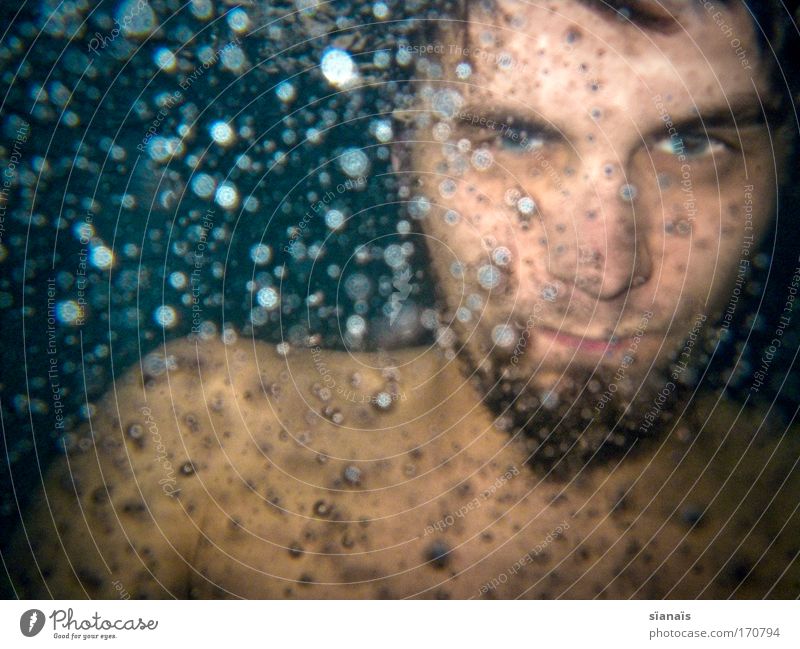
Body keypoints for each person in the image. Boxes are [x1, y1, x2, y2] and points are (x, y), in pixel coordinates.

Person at [9, 0, 800, 599]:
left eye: (692, 144)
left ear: (785, 165)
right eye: (516, 139)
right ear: (405, 158)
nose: (602, 265)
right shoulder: (195, 444)